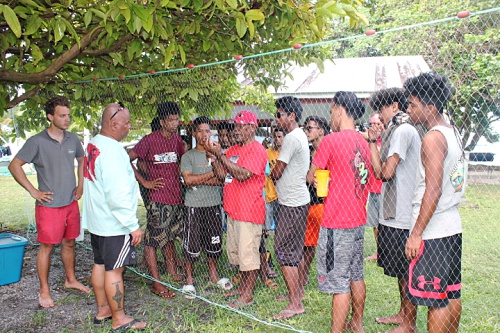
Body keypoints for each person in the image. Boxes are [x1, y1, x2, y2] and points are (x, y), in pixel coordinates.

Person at [8, 96, 90, 308]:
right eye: (62, 116)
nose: (67, 119)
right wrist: (34, 191)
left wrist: (80, 184)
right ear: (50, 117)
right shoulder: (36, 141)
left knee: (70, 242)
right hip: (49, 206)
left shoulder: (73, 139)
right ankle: (43, 290)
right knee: (47, 247)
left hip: (70, 203)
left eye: (68, 115)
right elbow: (14, 166)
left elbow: (82, 159)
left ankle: (70, 280)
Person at [404, 73, 464, 333]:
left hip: (433, 231)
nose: (408, 109)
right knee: (451, 293)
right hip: (451, 226)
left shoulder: (432, 138)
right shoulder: (453, 133)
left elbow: (434, 189)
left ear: (430, 108)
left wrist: (416, 234)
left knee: (435, 300)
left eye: (412, 105)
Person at [306, 91, 370, 333]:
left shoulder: (331, 141)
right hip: (357, 220)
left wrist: (320, 177)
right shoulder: (364, 143)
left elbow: (312, 176)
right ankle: (358, 323)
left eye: (331, 109)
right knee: (356, 273)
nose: (330, 115)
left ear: (340, 109)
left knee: (339, 283)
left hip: (336, 222)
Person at [82, 102, 147, 331]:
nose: (129, 127)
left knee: (100, 264)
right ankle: (119, 319)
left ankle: (103, 310)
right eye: (126, 123)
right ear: (113, 124)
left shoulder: (94, 144)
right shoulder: (113, 151)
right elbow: (117, 193)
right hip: (114, 224)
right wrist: (132, 225)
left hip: (98, 222)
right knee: (115, 270)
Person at [368, 88, 421, 333]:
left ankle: (409, 323)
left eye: (381, 109)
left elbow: (385, 173)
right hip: (394, 212)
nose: (379, 116)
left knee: (406, 271)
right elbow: (383, 171)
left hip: (402, 213)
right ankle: (403, 314)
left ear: (394, 105)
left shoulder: (402, 130)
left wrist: (371, 144)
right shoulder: (395, 131)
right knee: (400, 272)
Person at [204, 110, 267, 309]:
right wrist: (214, 159)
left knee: (248, 255)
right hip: (233, 210)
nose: (237, 130)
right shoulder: (233, 150)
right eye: (236, 126)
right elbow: (223, 176)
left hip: (249, 211)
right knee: (238, 253)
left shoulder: (257, 149)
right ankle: (242, 289)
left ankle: (247, 294)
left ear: (252, 128)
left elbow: (242, 175)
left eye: (241, 126)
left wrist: (220, 155)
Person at [128, 101, 185, 299]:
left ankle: (172, 270)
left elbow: (181, 165)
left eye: (177, 119)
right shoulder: (149, 140)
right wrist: (145, 181)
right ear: (162, 121)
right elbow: (126, 158)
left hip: (176, 198)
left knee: (168, 236)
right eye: (171, 120)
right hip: (157, 199)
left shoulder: (178, 141)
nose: (175, 123)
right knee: (152, 241)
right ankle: (156, 282)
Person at [180, 116, 231, 298]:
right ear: (194, 133)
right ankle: (189, 280)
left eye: (207, 131)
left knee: (214, 242)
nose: (204, 134)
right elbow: (188, 180)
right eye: (200, 130)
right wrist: (210, 175)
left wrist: (200, 178)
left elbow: (221, 179)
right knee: (191, 244)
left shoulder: (216, 154)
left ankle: (213, 275)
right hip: (193, 206)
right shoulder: (188, 156)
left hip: (213, 205)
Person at [271, 96, 310, 320]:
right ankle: (296, 293)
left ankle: (295, 303)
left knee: (284, 251)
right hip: (296, 201)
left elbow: (277, 171)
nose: (277, 118)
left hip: (292, 203)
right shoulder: (299, 136)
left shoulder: (291, 139)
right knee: (294, 249)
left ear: (291, 116)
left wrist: (271, 171)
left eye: (279, 114)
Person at [299, 115, 330, 287]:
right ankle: (302, 278)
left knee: (326, 245)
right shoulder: (307, 151)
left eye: (310, 128)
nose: (306, 131)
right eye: (306, 128)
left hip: (326, 204)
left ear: (321, 130)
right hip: (308, 202)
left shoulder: (330, 151)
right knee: (308, 245)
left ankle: (326, 278)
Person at [361, 113, 384, 262]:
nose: (373, 127)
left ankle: (387, 252)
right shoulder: (369, 141)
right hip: (373, 188)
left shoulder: (386, 139)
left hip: (385, 190)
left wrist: (370, 138)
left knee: (385, 224)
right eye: (371, 124)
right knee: (375, 224)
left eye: (376, 123)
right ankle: (379, 253)